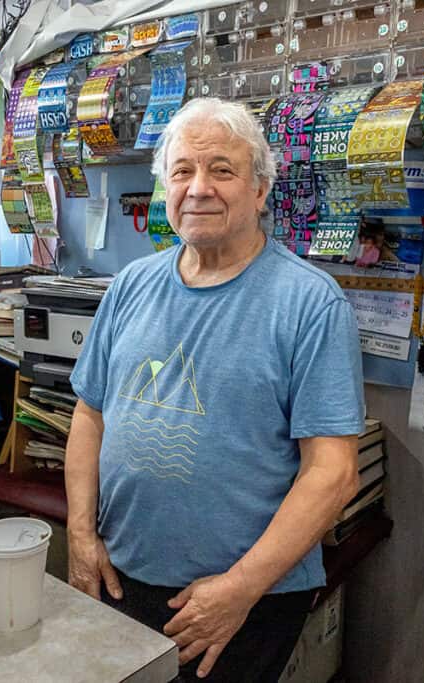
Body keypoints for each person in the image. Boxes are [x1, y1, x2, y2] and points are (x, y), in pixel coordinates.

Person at [67, 97, 365, 682]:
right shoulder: (130, 285)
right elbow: (90, 415)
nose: (198, 188)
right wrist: (80, 536)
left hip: (243, 595)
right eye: (182, 171)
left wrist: (238, 590)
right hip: (122, 572)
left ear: (259, 189)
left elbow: (332, 472)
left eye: (221, 170)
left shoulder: (309, 302)